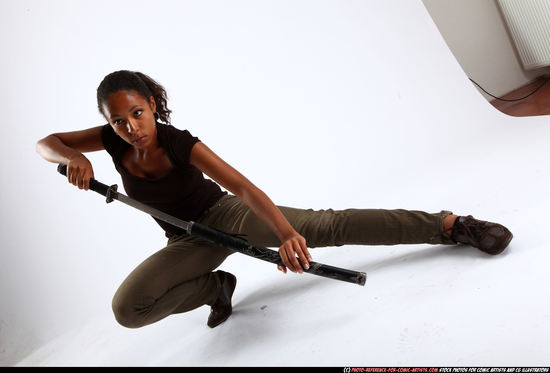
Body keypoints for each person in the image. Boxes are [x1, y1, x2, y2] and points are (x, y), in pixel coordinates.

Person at [36, 70, 513, 329]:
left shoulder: (178, 141)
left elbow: (244, 188)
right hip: (186, 241)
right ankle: (215, 288)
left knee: (326, 228)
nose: (130, 127)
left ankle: (450, 225)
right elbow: (46, 142)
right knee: (128, 310)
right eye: (119, 121)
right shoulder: (112, 140)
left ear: (153, 107)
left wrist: (286, 234)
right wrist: (75, 159)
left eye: (137, 114)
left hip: (228, 214)